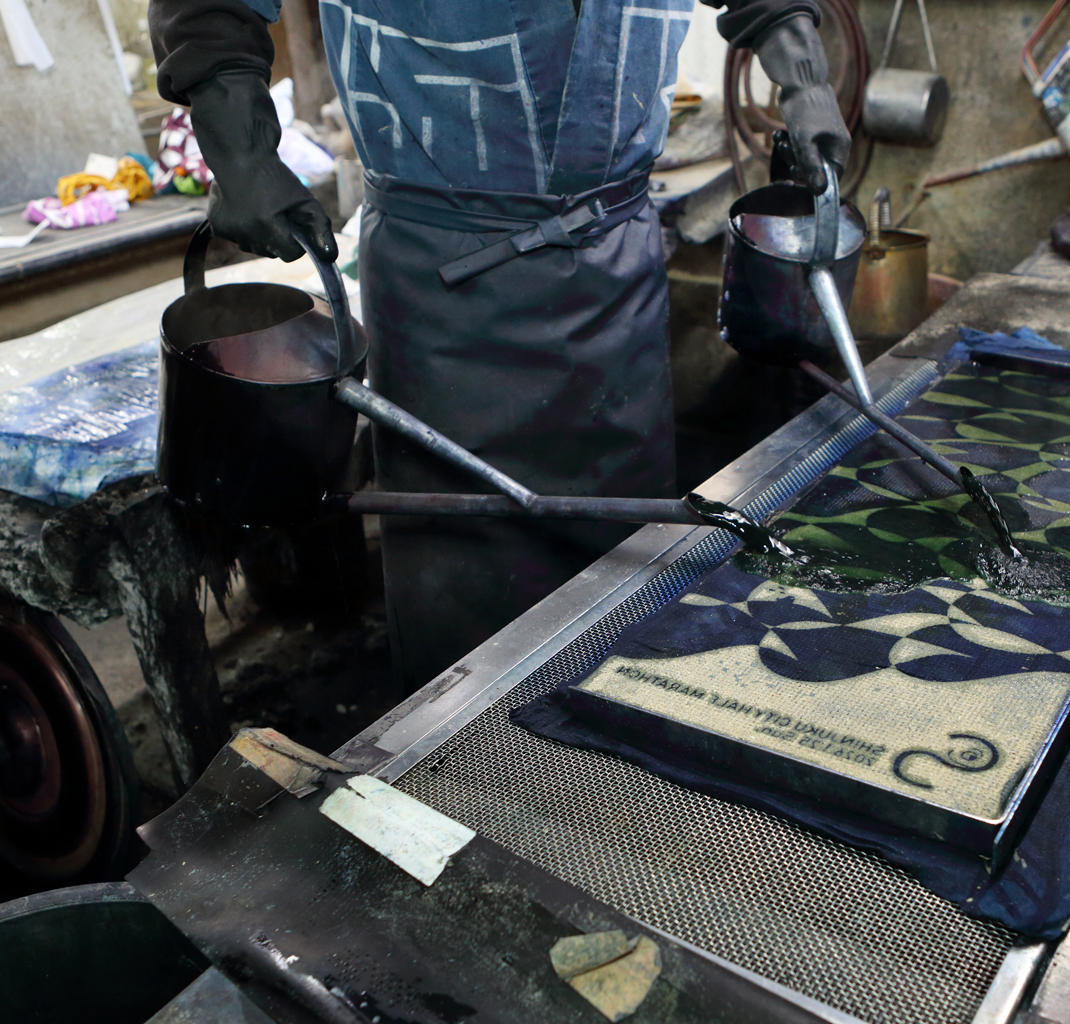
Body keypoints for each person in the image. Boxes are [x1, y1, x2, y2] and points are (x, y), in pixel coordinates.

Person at [150, 0, 852, 690]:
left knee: (623, 581)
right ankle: (460, 757)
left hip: (618, 271)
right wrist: (239, 146)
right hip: (448, 291)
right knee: (472, 622)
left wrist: (802, 75)